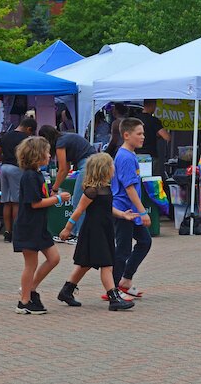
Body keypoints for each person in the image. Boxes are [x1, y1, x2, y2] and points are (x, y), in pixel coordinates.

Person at [56, 152, 138, 310]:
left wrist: (122, 214)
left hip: (104, 229)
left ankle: (66, 291)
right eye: (111, 165)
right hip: (94, 231)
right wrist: (67, 229)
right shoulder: (91, 191)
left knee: (84, 264)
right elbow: (78, 210)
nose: (114, 167)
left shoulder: (106, 188)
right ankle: (113, 298)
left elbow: (107, 208)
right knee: (107, 264)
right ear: (104, 169)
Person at [13, 136, 70, 314]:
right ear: (37, 155)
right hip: (28, 225)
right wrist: (57, 199)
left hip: (39, 225)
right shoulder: (30, 177)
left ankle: (30, 289)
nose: (49, 155)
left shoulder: (37, 174)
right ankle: (24, 302)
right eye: (46, 152)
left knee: (54, 258)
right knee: (31, 264)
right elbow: (35, 203)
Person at [111, 118, 152, 296]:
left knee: (144, 242)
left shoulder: (129, 154)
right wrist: (142, 211)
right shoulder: (125, 157)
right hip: (124, 211)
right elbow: (129, 188)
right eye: (139, 133)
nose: (143, 137)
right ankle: (113, 289)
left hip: (130, 211)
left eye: (143, 133)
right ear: (126, 135)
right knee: (123, 249)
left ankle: (125, 280)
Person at [0, 117, 37, 242]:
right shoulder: (25, 139)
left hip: (4, 168)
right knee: (17, 201)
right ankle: (17, 231)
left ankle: (7, 233)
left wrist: (5, 160)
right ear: (29, 129)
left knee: (7, 202)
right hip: (16, 169)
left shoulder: (6, 136)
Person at [51, 131, 97, 244]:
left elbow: (62, 169)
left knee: (78, 202)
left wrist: (55, 188)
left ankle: (79, 235)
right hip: (92, 164)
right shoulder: (66, 137)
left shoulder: (60, 142)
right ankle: (73, 233)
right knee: (80, 202)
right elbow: (65, 169)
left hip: (87, 166)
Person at [135, 99, 170, 177]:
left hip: (136, 155)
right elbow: (167, 137)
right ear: (153, 105)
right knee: (151, 182)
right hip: (150, 156)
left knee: (138, 180)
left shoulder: (135, 119)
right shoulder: (153, 120)